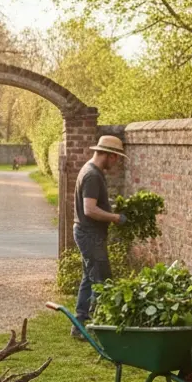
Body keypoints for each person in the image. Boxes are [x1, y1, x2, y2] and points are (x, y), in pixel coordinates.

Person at [72, 135, 128, 336]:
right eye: (115, 157)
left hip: (87, 233)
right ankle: (98, 327)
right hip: (90, 234)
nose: (116, 162)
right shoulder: (92, 175)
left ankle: (79, 325)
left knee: (89, 278)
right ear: (107, 154)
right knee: (101, 281)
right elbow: (90, 209)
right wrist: (114, 217)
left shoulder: (91, 170)